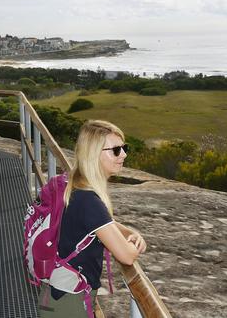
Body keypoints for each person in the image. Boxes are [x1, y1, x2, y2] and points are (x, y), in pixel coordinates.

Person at [38, 120, 147, 317]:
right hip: (68, 303)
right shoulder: (89, 200)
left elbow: (101, 222)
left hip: (57, 293)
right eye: (116, 150)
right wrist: (135, 244)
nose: (124, 154)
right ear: (94, 154)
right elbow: (127, 255)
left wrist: (129, 232)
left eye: (124, 148)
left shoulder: (73, 183)